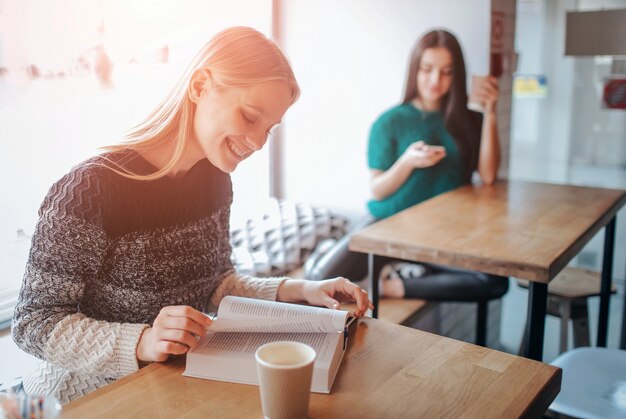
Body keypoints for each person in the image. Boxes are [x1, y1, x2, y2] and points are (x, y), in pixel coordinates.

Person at [12, 27, 373, 404]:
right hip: (76, 400)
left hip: (164, 387)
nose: (259, 143)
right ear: (200, 86)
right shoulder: (90, 191)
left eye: (269, 129)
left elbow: (215, 284)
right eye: (250, 116)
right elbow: (34, 322)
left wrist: (300, 290)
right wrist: (143, 340)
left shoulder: (215, 180)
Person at [306, 29, 506, 301]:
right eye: (427, 69)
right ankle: (389, 266)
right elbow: (377, 191)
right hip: (386, 224)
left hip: (441, 233)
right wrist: (407, 162)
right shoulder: (390, 121)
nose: (436, 80)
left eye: (447, 72)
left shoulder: (470, 120)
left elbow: (488, 175)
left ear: (456, 75)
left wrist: (491, 111)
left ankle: (391, 285)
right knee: (318, 279)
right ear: (415, 70)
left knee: (493, 282)